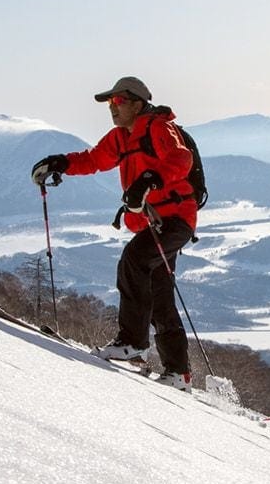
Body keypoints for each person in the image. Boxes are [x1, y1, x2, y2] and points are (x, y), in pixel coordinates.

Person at [30, 76, 197, 392]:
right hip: (154, 223)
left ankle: (133, 342)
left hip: (176, 219)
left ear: (137, 103)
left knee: (134, 258)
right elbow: (94, 160)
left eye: (118, 102)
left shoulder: (158, 128)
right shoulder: (121, 138)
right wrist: (60, 163)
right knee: (159, 290)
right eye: (110, 103)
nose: (112, 108)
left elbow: (181, 158)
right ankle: (178, 373)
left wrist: (149, 179)